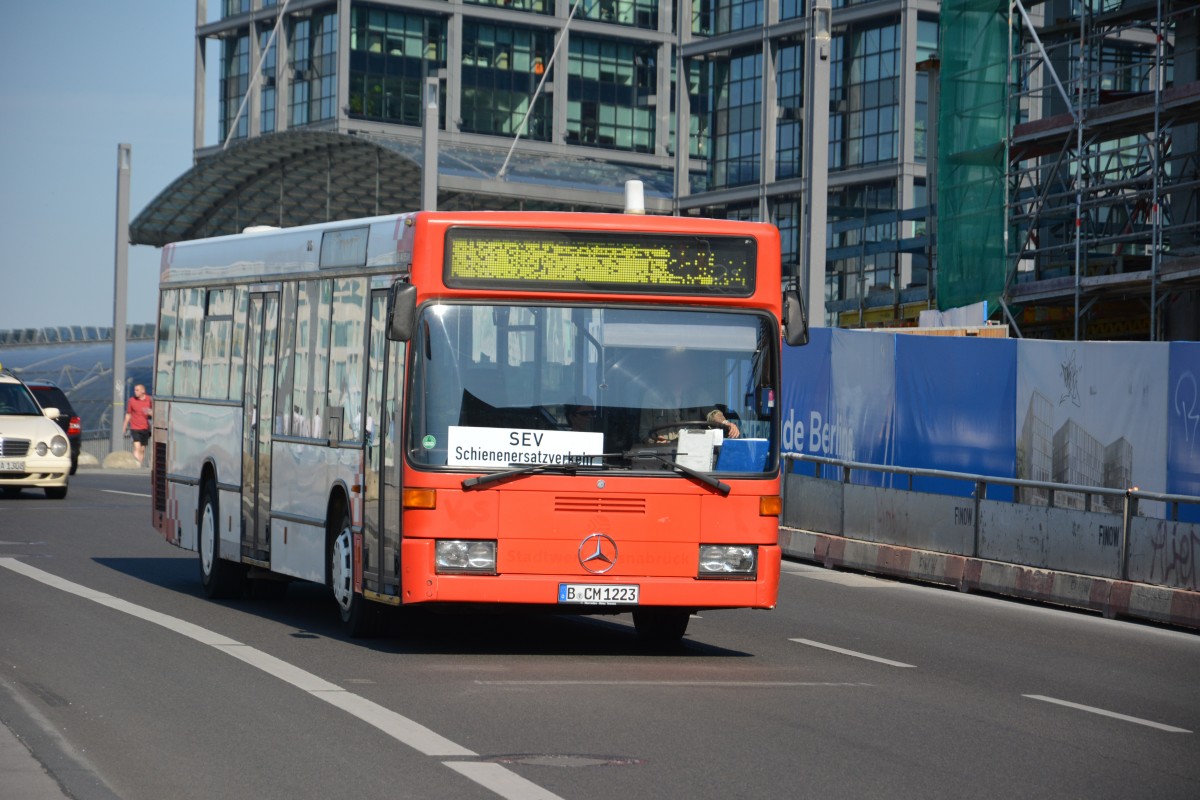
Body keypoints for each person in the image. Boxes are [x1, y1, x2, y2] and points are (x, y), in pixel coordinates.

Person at [640, 354, 740, 443]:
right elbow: (644, 433)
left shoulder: (699, 394)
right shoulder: (652, 395)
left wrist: (726, 423)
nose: (679, 372)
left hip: (694, 452)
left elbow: (712, 413)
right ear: (665, 371)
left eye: (683, 368)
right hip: (663, 455)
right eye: (674, 367)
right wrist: (655, 441)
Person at [123, 384, 153, 467]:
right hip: (134, 428)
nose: (135, 392)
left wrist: (151, 413)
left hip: (145, 427)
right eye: (134, 390)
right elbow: (128, 414)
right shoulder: (131, 400)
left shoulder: (149, 400)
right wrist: (124, 427)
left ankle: (139, 464)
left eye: (137, 390)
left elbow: (155, 411)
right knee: (137, 447)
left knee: (142, 449)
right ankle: (136, 465)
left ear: (143, 391)